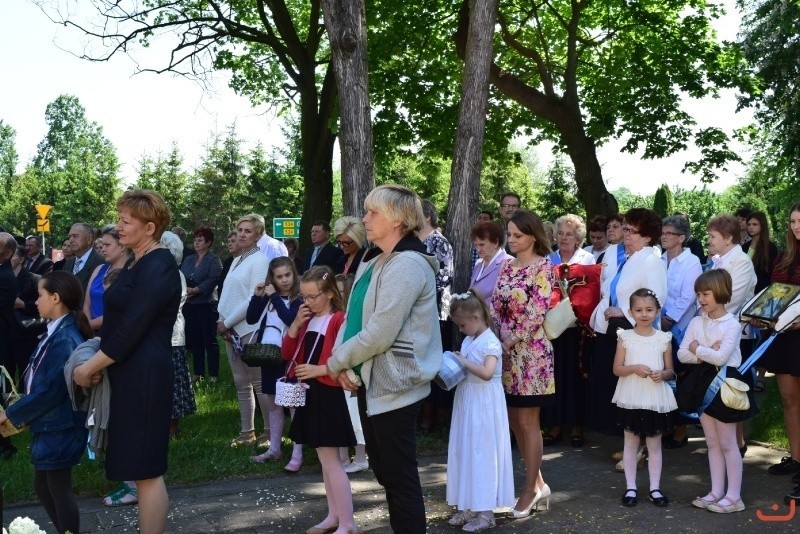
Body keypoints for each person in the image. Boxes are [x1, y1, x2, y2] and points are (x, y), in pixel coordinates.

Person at [326, 184, 442, 533]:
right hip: (370, 381)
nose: (365, 218)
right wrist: (344, 363)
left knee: (400, 480)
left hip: (395, 385)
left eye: (373, 212)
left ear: (398, 221)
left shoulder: (407, 264)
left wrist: (334, 364)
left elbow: (380, 332)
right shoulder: (375, 259)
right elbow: (351, 319)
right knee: (387, 475)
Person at [72, 189, 182, 534]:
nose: (118, 226)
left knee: (147, 471)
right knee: (140, 469)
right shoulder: (139, 260)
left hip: (145, 376)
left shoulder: (158, 265)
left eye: (125, 221)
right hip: (131, 372)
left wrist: (90, 366)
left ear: (149, 228)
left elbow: (132, 328)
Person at [0, 271, 92, 534]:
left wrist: (13, 413)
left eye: (40, 295)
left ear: (55, 297)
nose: (35, 301)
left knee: (57, 489)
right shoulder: (57, 331)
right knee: (44, 487)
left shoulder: (64, 337)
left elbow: (52, 390)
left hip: (59, 426)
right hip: (53, 425)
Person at [490, 210, 554, 519]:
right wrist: (493, 338)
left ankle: (529, 490)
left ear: (532, 235)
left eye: (517, 235)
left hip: (531, 356)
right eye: (509, 234)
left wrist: (510, 340)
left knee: (528, 422)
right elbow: (494, 306)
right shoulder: (505, 265)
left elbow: (537, 311)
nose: (511, 240)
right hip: (504, 354)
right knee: (514, 420)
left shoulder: (543, 266)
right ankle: (539, 483)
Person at [285, 266, 356, 534]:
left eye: (313, 296)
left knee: (331, 461)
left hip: (328, 392)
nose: (308, 302)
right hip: (311, 393)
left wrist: (320, 370)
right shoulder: (308, 320)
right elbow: (287, 353)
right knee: (324, 461)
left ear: (328, 294)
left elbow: (345, 356)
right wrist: (295, 326)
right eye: (304, 297)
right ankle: (334, 516)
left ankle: (348, 523)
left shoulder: (338, 319)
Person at [678, 269, 754, 513]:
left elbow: (722, 357)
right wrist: (705, 352)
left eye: (706, 293)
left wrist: (697, 348)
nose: (701, 299)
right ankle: (716, 491)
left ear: (720, 293)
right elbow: (681, 353)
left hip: (725, 384)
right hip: (701, 381)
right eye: (699, 294)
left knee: (728, 443)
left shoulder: (731, 325)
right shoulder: (696, 321)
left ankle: (734, 497)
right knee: (711, 442)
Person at [590, 208, 667, 437]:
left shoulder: (652, 261)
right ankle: (628, 443)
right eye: (626, 229)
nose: (628, 235)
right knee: (616, 388)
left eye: (634, 232)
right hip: (614, 330)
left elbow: (656, 298)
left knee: (636, 391)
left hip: (635, 332)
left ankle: (640, 446)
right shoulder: (629, 259)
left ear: (648, 236)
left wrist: (623, 311)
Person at [445, 289, 514, 531]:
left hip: (484, 403)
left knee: (482, 452)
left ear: (475, 318)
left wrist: (462, 361)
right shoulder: (469, 339)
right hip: (467, 399)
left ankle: (485, 512)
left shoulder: (491, 343)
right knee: (466, 449)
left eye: (462, 325)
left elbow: (486, 372)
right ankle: (469, 505)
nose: (461, 330)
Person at [612, 288, 677, 508]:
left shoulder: (664, 338)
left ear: (657, 311)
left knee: (655, 443)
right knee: (630, 443)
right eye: (638, 310)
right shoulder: (625, 337)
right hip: (631, 396)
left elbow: (671, 370)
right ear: (630, 312)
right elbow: (617, 369)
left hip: (654, 397)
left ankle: (655, 488)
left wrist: (663, 375)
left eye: (649, 309)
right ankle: (631, 487)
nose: (644, 314)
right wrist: (633, 368)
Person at [757, 203, 800, 504]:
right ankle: (796, 458)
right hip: (786, 337)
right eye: (793, 221)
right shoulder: (784, 259)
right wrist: (763, 315)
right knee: (788, 399)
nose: (797, 226)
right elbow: (775, 295)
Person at [217, 214, 272, 449]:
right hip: (230, 328)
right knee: (241, 382)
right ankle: (247, 431)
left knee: (258, 381)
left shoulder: (260, 259)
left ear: (258, 235)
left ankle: (269, 431)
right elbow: (228, 295)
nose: (241, 234)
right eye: (239, 229)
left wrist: (227, 322)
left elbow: (253, 297)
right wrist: (222, 320)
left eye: (247, 231)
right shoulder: (237, 259)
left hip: (249, 327)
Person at [543, 214, 595, 448]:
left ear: (578, 238)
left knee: (574, 377)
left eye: (569, 234)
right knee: (555, 376)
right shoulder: (548, 259)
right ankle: (555, 426)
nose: (564, 238)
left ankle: (575, 426)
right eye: (561, 233)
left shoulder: (587, 258)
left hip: (577, 328)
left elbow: (592, 292)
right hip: (554, 327)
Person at [246, 257, 302, 465]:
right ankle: (275, 448)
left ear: (294, 274)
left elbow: (290, 319)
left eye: (287, 275)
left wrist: (274, 298)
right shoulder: (270, 296)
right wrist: (257, 296)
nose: (284, 280)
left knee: (294, 403)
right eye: (279, 277)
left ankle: (298, 450)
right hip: (268, 355)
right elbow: (252, 318)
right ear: (272, 278)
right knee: (274, 403)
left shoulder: (299, 298)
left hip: (290, 357)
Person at [658, 215, 702, 448]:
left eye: (669, 233)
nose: (664, 236)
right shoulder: (659, 258)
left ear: (682, 238)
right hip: (657, 325)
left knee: (680, 376)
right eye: (663, 232)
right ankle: (666, 424)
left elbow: (689, 295)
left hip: (681, 328)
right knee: (663, 376)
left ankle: (681, 429)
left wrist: (669, 318)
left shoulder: (690, 261)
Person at [418, 199, 454, 432]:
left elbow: (444, 277)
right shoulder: (414, 242)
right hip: (417, 312)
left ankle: (430, 416)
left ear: (428, 217)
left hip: (436, 312)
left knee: (433, 361)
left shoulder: (439, 242)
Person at [161, 231, 197, 437]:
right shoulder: (165, 272)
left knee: (173, 382)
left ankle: (173, 427)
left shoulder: (174, 274)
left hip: (171, 336)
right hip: (164, 335)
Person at [181, 227, 223, 382]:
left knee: (209, 340)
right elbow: (183, 276)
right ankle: (198, 373)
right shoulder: (189, 259)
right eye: (195, 239)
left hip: (206, 304)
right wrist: (187, 290)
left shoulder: (214, 260)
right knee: (194, 339)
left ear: (208, 242)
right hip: (190, 304)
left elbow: (213, 280)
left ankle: (213, 374)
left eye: (200, 239)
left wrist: (196, 289)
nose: (196, 242)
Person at [84, 225, 130, 333]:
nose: (102, 249)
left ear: (122, 246)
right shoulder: (100, 269)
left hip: (113, 333)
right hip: (89, 331)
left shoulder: (130, 273)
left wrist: (87, 327)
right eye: (102, 244)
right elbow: (87, 304)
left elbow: (118, 312)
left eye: (107, 245)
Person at [0, 233, 21, 459]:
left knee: (2, 394)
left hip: (2, 344)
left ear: (7, 253)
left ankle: (6, 444)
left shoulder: (5, 277)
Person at [469, 221, 511, 308]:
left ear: (495, 242)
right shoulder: (478, 264)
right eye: (476, 245)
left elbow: (505, 298)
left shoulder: (508, 263)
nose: (478, 249)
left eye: (482, 245)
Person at [742, 211, 778, 294]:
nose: (751, 227)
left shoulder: (770, 247)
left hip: (762, 291)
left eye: (755, 224)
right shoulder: (744, 246)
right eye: (749, 224)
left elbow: (771, 273)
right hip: (745, 289)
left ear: (762, 225)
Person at [64, 223, 104, 294]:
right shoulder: (68, 262)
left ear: (89, 239)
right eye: (70, 236)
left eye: (75, 236)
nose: (71, 240)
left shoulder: (101, 262)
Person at [217, 230, 240, 299]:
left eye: (233, 241)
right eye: (228, 241)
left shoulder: (246, 261)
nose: (229, 244)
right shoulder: (228, 262)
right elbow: (221, 283)